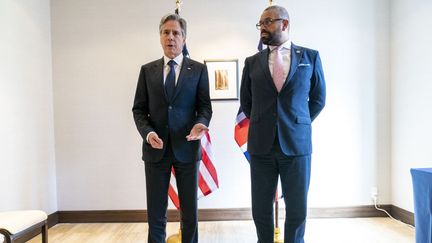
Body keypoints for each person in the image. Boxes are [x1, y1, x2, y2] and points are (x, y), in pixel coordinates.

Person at [240, 5, 326, 243]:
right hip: (261, 146)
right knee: (261, 208)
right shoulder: (252, 62)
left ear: (284, 24)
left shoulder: (310, 57)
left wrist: (296, 121)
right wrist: (266, 122)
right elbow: (247, 102)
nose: (262, 28)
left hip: (297, 146)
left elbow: (318, 99)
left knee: (298, 208)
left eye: (267, 22)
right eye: (260, 24)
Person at [132, 13, 212, 243]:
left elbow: (205, 107)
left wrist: (200, 124)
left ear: (184, 38)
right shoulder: (147, 71)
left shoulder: (197, 70)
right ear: (159, 37)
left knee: (189, 214)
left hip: (187, 147)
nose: (171, 37)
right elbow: (138, 109)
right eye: (166, 32)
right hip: (156, 150)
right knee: (156, 214)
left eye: (176, 33)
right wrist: (148, 133)